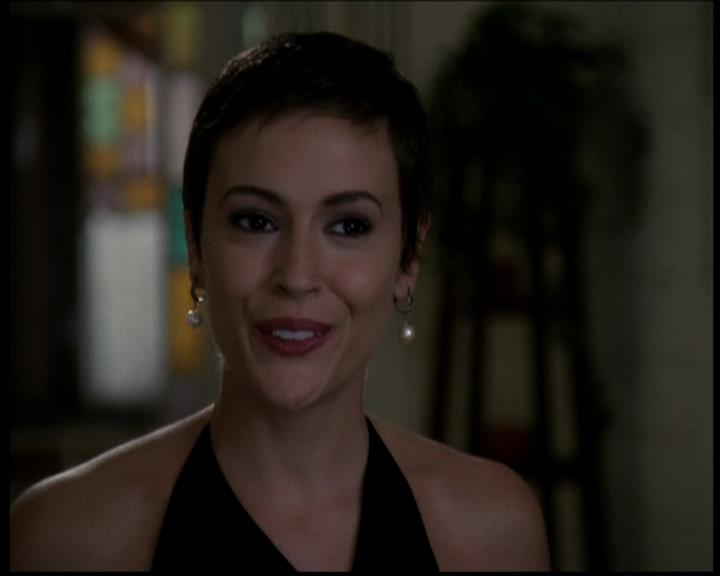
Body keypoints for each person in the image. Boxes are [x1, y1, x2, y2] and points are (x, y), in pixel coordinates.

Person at [10, 31, 550, 571]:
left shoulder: (492, 532)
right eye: (256, 221)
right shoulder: (64, 539)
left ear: (409, 257)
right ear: (196, 245)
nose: (296, 276)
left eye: (348, 225)